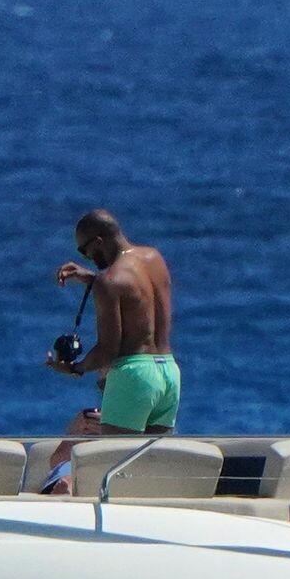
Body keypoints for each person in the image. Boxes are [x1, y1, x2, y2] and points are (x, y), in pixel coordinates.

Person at [40, 209, 178, 493]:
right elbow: (138, 293)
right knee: (154, 471)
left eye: (85, 249)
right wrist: (92, 279)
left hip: (134, 376)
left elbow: (107, 350)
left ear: (99, 241)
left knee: (113, 473)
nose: (87, 257)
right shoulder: (154, 258)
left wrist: (75, 368)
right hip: (168, 371)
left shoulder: (109, 282)